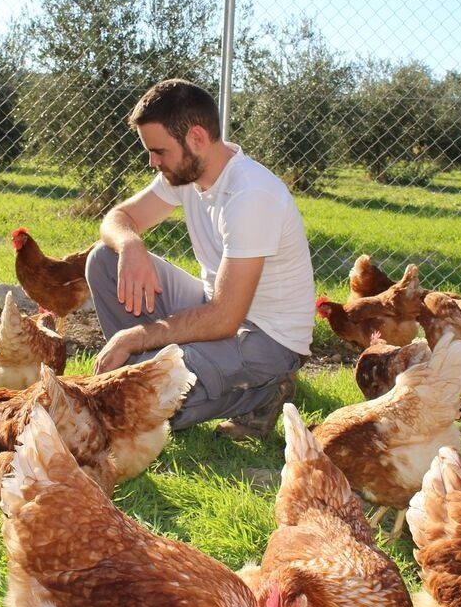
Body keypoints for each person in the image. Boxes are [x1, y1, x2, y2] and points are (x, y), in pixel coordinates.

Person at [87, 78, 315, 438]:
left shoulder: (251, 195)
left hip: (266, 339)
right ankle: (137, 371)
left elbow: (225, 318)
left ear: (196, 138)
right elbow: (117, 219)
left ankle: (262, 393)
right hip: (218, 308)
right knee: (102, 259)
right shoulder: (184, 174)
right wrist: (131, 245)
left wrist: (134, 337)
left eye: (159, 151)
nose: (152, 162)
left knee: (141, 406)